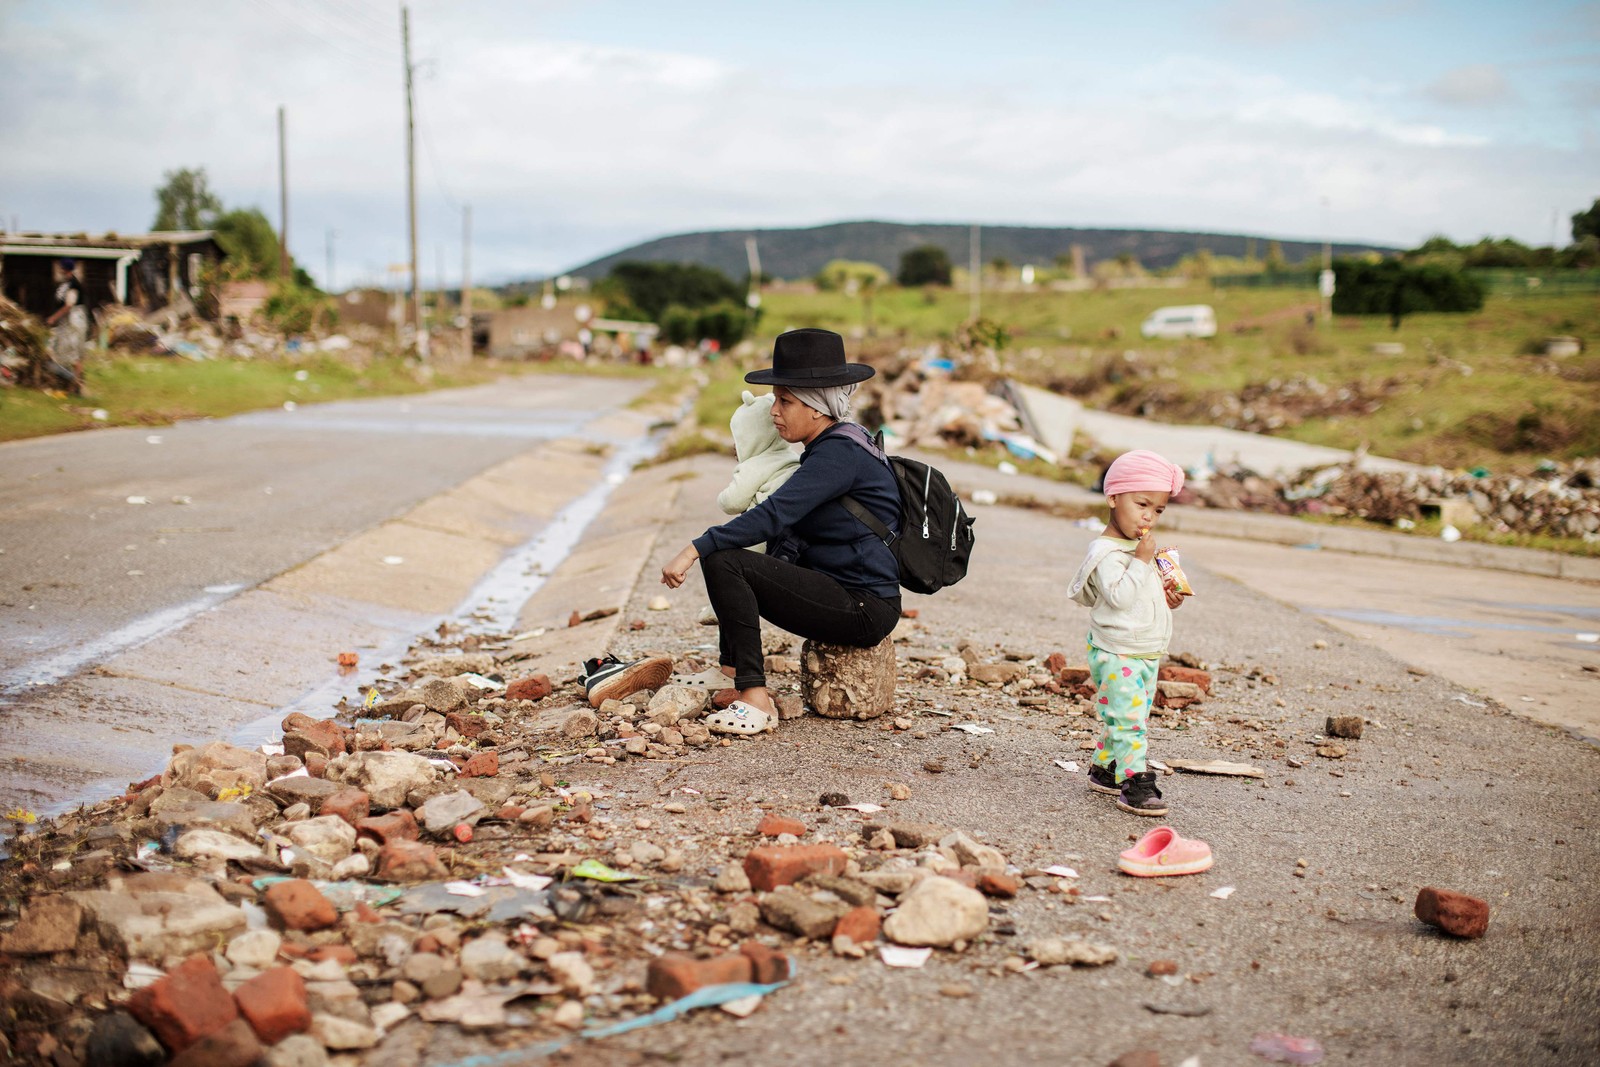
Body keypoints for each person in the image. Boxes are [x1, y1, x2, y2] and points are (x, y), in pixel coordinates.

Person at [660, 328, 900, 734]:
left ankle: (754, 699)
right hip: (838, 591)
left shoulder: (839, 454)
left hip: (863, 607)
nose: (774, 411)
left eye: (785, 400)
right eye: (775, 398)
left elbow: (775, 515)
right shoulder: (830, 447)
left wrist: (692, 549)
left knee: (724, 559)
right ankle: (730, 672)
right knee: (736, 559)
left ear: (817, 406)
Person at [1067, 449, 1187, 816]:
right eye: (1142, 504)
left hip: (1143, 650)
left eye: (1159, 509)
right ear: (1113, 497)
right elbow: (1119, 597)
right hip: (1118, 652)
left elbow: (1137, 598)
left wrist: (1167, 598)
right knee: (1130, 721)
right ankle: (1135, 782)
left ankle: (1106, 770)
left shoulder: (1135, 549)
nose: (1149, 516)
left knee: (1123, 714)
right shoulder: (1106, 552)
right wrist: (1141, 561)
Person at [45, 258, 87, 393]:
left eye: (61, 267)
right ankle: (71, 383)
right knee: (63, 351)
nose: (60, 269)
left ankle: (78, 384)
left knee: (73, 352)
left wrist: (53, 318)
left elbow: (69, 305)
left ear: (65, 268)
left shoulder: (74, 284)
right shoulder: (66, 283)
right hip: (67, 321)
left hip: (74, 320)